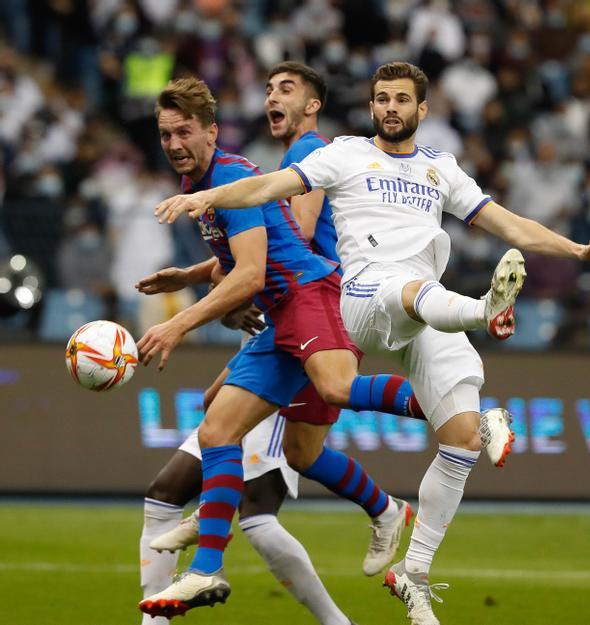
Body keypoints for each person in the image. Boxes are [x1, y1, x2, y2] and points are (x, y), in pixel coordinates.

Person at [154, 62, 590, 625]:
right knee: (254, 412)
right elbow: (269, 190)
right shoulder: (346, 153)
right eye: (381, 98)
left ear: (421, 110)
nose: (390, 107)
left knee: (458, 441)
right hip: (360, 294)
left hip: (416, 306)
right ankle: (484, 313)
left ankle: (416, 571)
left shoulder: (440, 168)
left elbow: (508, 223)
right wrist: (209, 200)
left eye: (401, 99)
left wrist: (576, 250)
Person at [136, 72, 415, 625]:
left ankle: (457, 413)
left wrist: (177, 325)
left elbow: (254, 271)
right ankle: (207, 563)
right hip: (285, 313)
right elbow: (255, 249)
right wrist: (189, 276)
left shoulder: (238, 175)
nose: (173, 144)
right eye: (165, 134)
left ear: (211, 132)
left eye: (183, 132)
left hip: (312, 298)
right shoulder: (210, 187)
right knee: (218, 424)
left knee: (328, 394)